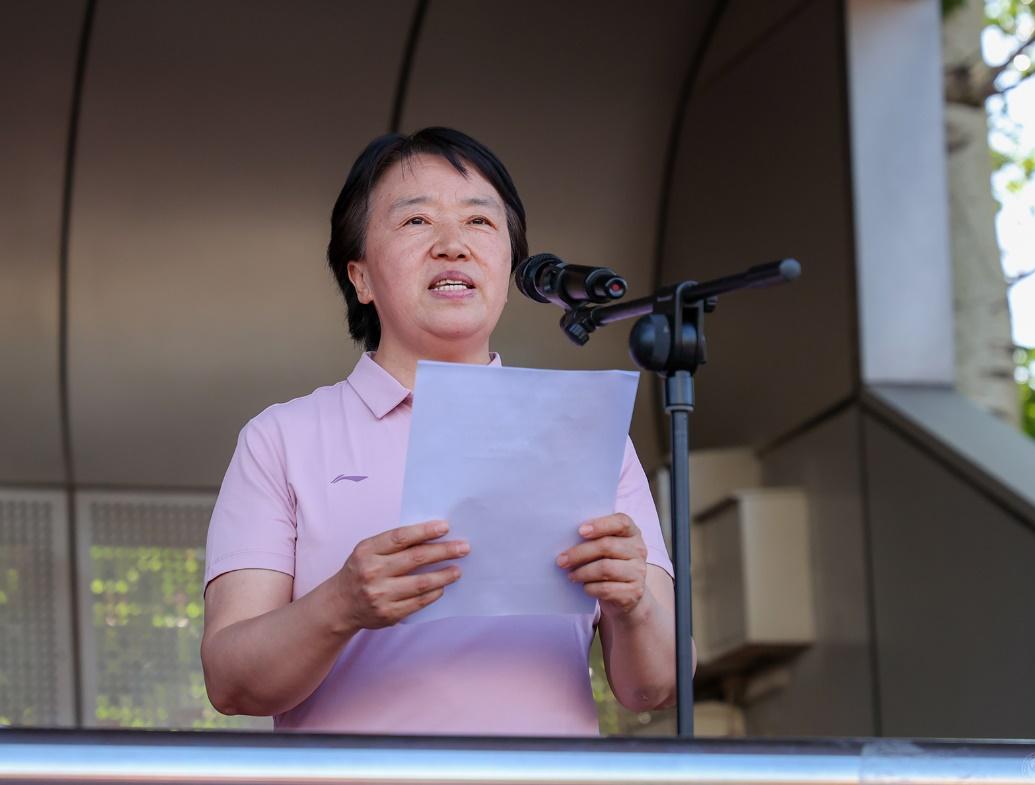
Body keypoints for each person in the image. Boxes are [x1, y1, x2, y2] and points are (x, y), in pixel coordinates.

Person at [201, 127, 687, 735]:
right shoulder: (282, 438)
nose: (453, 245)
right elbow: (230, 683)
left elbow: (658, 686)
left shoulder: (585, 432)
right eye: (416, 221)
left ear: (510, 266)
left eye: (480, 222)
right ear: (360, 278)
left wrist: (633, 603)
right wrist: (340, 604)